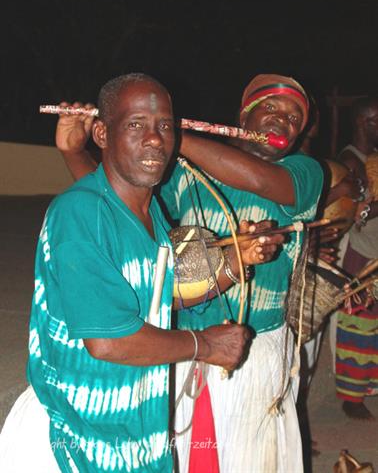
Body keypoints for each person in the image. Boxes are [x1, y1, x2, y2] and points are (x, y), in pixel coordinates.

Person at [0, 73, 282, 472]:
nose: (155, 139)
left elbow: (161, 297)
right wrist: (205, 345)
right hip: (75, 439)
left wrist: (238, 260)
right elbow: (108, 341)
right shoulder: (79, 213)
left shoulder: (154, 218)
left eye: (165, 125)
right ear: (101, 133)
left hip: (138, 432)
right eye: (136, 125)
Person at [334, 96, 378, 421]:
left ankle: (368, 387)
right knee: (357, 326)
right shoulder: (351, 161)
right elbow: (357, 213)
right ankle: (351, 397)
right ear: (365, 122)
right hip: (362, 254)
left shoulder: (372, 159)